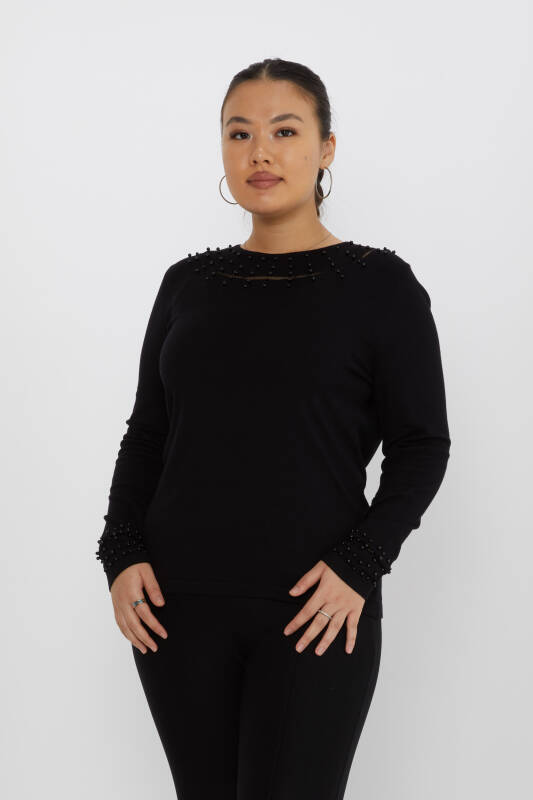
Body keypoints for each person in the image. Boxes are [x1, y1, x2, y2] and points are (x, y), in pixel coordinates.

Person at [95, 58, 451, 800]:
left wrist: (361, 563)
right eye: (239, 133)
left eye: (284, 131)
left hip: (314, 611)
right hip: (177, 611)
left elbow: (421, 445)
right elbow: (148, 433)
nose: (260, 151)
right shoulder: (187, 285)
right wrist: (120, 552)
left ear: (326, 147)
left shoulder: (379, 286)